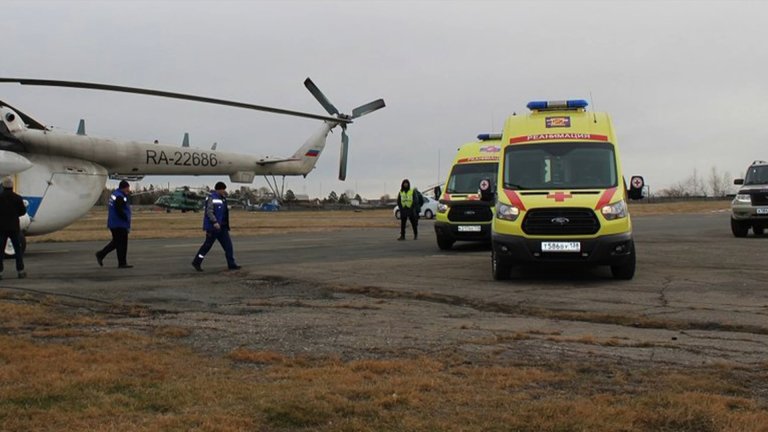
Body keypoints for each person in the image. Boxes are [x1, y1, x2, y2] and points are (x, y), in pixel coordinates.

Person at [191, 181, 241, 271]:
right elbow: (209, 212)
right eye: (223, 189)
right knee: (207, 246)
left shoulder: (223, 199)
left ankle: (231, 264)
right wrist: (214, 222)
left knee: (228, 246)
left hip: (223, 227)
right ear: (218, 189)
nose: (224, 191)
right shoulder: (211, 198)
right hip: (213, 228)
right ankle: (196, 262)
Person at [96, 180, 133, 268]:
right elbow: (119, 210)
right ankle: (102, 254)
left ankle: (121, 262)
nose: (128, 189)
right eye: (128, 188)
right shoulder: (120, 196)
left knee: (118, 243)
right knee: (120, 243)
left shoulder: (116, 195)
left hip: (115, 223)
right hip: (119, 224)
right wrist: (125, 217)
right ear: (124, 187)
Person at [0, 177, 27, 279]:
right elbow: (23, 212)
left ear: (3, 186)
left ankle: (0, 272)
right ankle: (20, 271)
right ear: (12, 186)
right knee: (17, 250)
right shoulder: (18, 198)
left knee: (0, 250)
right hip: (14, 227)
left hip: (1, 227)